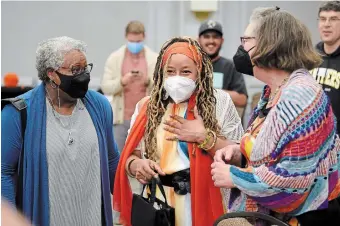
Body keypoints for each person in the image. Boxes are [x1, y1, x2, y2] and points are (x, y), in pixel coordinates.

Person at [211, 7, 340, 226]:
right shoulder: (275, 89)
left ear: (269, 45)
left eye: (246, 39)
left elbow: (292, 185)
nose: (241, 47)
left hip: (307, 217)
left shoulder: (298, 96)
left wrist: (234, 176)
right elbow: (273, 150)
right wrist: (239, 154)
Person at [113, 37, 244, 226]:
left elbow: (239, 157)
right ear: (161, 73)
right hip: (158, 203)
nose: (177, 78)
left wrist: (203, 136)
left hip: (205, 201)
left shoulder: (219, 103)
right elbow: (130, 158)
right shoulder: (147, 107)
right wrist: (137, 165)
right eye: (170, 71)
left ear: (199, 72)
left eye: (186, 72)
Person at [1, 36, 120, 226]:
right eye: (75, 70)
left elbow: (112, 159)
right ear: (52, 74)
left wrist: (128, 201)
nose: (83, 76)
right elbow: (3, 172)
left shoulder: (99, 106)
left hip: (91, 217)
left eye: (85, 68)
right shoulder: (18, 113)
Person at [101, 20, 158, 152]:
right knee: (117, 158)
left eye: (138, 41)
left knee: (146, 156)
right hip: (121, 120)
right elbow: (106, 87)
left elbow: (163, 87)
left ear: (144, 36)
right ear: (126, 37)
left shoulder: (154, 58)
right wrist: (122, 81)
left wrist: (148, 81)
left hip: (146, 119)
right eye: (132, 41)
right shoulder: (114, 58)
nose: (135, 45)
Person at [198, 20, 248, 108]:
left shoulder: (231, 66)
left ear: (222, 40)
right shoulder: (191, 65)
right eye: (206, 37)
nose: (211, 41)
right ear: (199, 40)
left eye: (215, 37)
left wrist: (209, 91)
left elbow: (242, 100)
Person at [310, 1, 340, 135]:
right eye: (323, 19)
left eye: (333, 19)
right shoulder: (309, 57)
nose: (326, 24)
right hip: (312, 138)